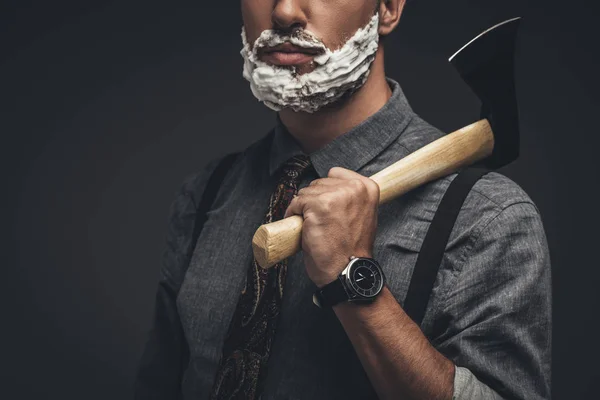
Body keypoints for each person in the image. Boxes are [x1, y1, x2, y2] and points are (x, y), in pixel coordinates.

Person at [135, 1, 552, 399]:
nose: (283, 11)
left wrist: (352, 277)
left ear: (387, 7)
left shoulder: (489, 218)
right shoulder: (206, 194)